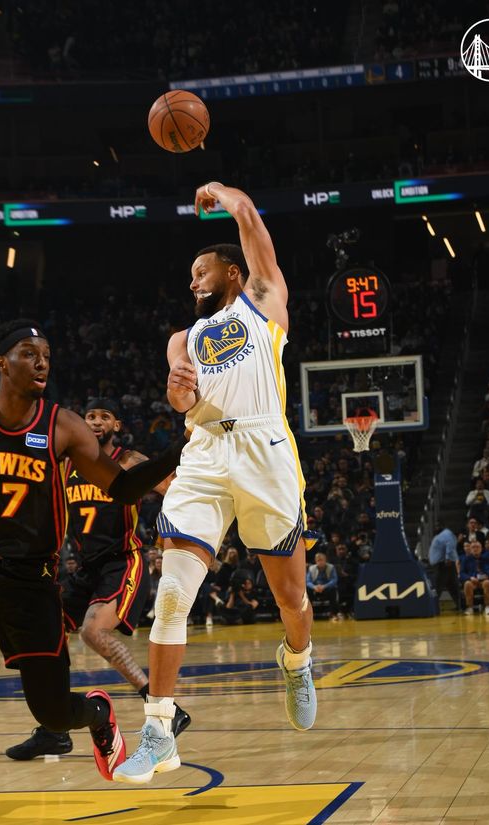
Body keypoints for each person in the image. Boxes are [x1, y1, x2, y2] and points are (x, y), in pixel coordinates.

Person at [0, 319, 187, 786]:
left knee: (53, 711)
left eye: (46, 354)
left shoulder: (62, 426)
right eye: (29, 353)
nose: (41, 362)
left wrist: (178, 451)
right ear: (2, 363)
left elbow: (124, 488)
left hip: (31, 580)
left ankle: (97, 714)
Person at [114, 181, 317, 785]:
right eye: (189, 277)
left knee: (291, 598)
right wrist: (178, 391)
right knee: (172, 596)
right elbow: (182, 398)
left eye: (200, 272)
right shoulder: (183, 338)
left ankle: (297, 659)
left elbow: (251, 220)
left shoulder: (264, 300)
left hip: (264, 448)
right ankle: (158, 731)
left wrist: (224, 193)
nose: (193, 283)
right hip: (203, 452)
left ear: (233, 272)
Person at [5, 398, 190, 760]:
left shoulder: (130, 461)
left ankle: (165, 707)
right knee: (44, 633)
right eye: (90, 416)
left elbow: (178, 492)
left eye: (104, 416)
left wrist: (171, 538)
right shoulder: (68, 465)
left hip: (123, 561)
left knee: (92, 631)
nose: (95, 421)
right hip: (86, 567)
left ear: (116, 426)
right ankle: (54, 729)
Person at [428, 524, 460, 609]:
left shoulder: (445, 534)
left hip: (444, 564)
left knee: (439, 586)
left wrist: (448, 558)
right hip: (442, 564)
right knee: (452, 586)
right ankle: (460, 605)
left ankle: (432, 607)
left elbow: (449, 545)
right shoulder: (442, 536)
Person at [460, 540, 489, 616]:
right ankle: (470, 607)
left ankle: (487, 606)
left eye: (477, 547)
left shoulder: (486, 558)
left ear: (481, 548)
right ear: (470, 549)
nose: (475, 549)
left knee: (487, 583)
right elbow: (462, 573)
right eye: (473, 547)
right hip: (472, 581)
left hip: (483, 580)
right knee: (467, 584)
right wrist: (470, 578)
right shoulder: (466, 559)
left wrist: (487, 575)